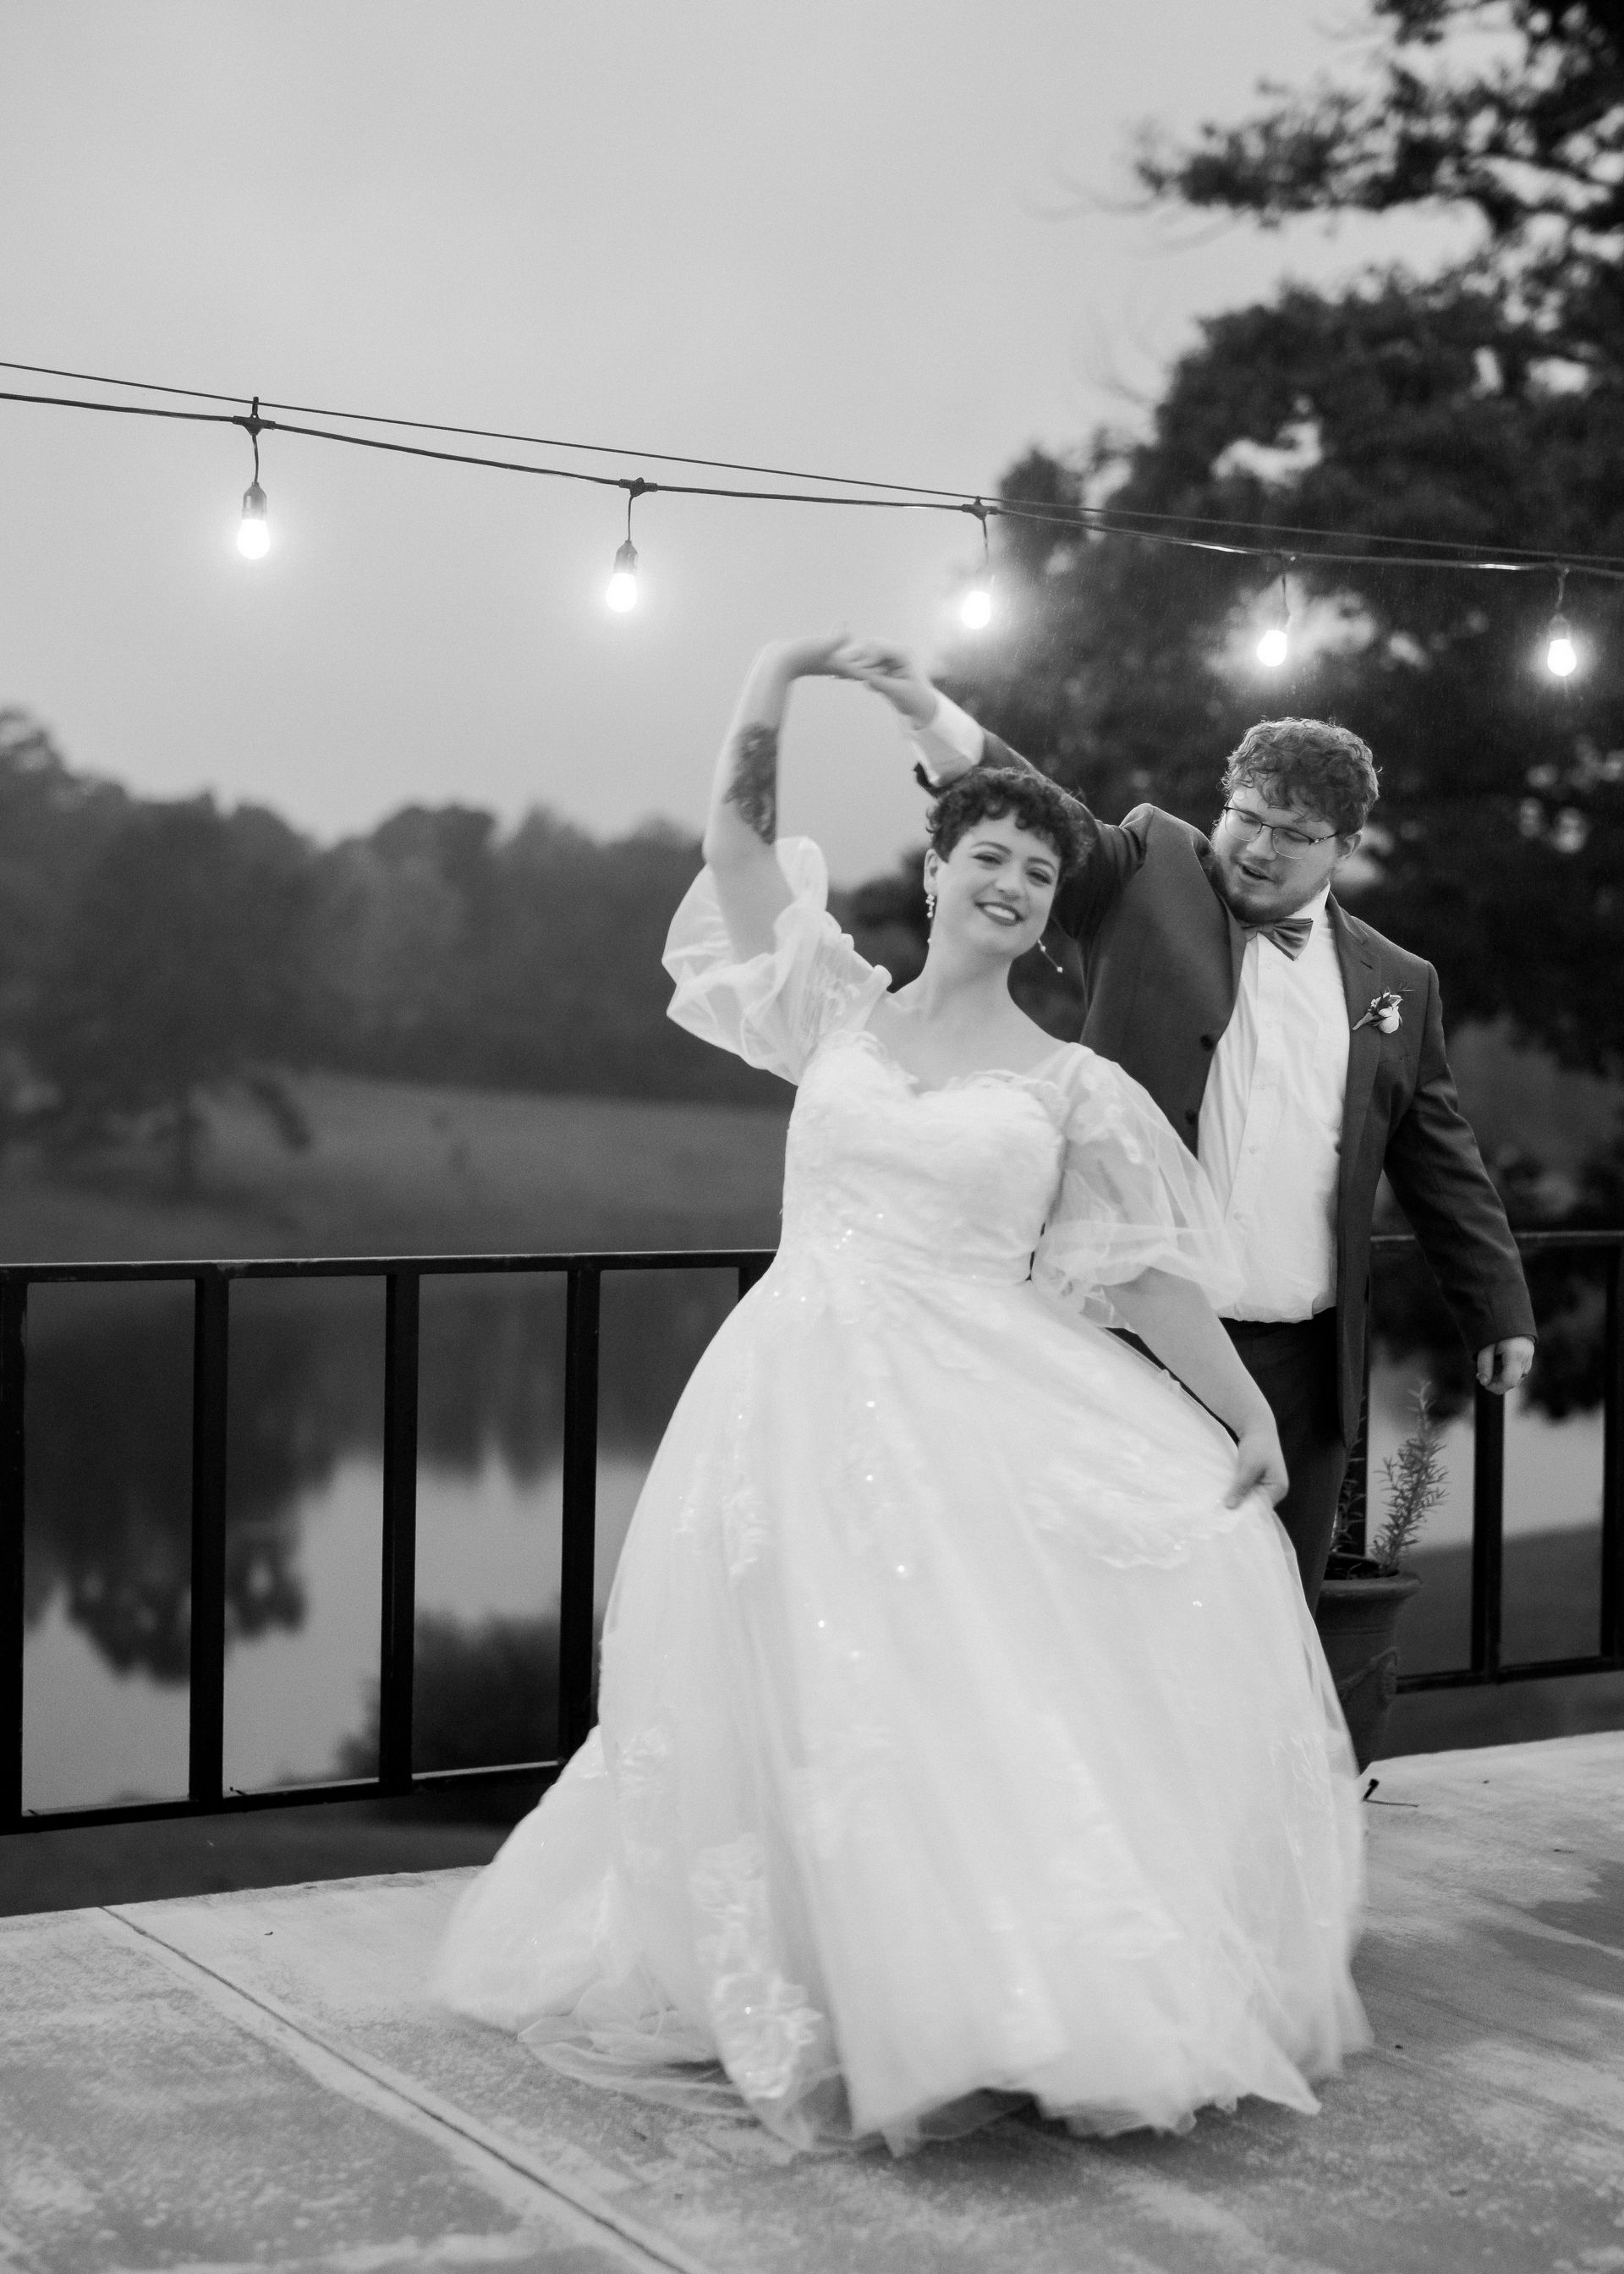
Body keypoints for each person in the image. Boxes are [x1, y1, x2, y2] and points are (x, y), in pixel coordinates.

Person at [432, 634, 1368, 2154]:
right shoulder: (837, 1016)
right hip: (792, 1397)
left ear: (1054, 911)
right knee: (795, 1684)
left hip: (971, 1406)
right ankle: (823, 1973)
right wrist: (776, 677)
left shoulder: (1074, 1085)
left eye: (1038, 874)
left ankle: (991, 1989)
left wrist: (1246, 1412)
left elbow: (1138, 1271)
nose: (1011, 883)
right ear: (933, 871)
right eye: (986, 855)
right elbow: (735, 845)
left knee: (955, 1693)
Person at [838, 651, 1535, 1607]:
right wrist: (931, 718)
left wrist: (1497, 1306)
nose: (1258, 845)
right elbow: (1039, 807)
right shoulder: (1147, 868)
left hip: (1304, 1356)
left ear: (1345, 847)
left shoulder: (1399, 984)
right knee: (1106, 1608)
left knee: (1272, 1620)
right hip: (1128, 1338)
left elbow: (1440, 1156)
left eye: (1293, 832)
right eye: (1247, 815)